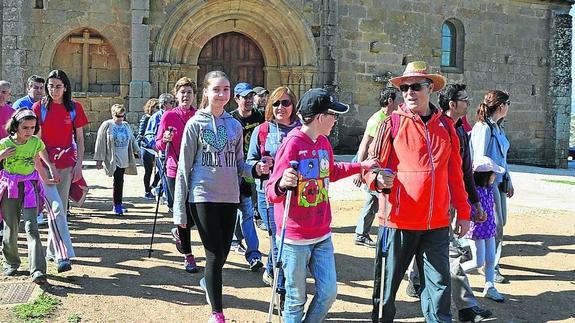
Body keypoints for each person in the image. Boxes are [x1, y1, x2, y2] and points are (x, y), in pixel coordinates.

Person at [364, 61, 470, 322]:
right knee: (386, 291)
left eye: (416, 86)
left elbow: (455, 175)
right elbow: (370, 165)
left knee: (439, 289)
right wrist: (376, 179)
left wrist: (464, 211)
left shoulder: (446, 127)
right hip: (397, 222)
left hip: (436, 224)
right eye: (405, 88)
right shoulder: (391, 124)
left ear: (430, 88)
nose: (409, 92)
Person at [266, 88, 377, 322]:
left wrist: (362, 165)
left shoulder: (323, 142)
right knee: (295, 300)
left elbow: (332, 171)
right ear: (320, 117)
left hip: (322, 234)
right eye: (333, 115)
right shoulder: (292, 144)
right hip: (294, 238)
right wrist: (281, 184)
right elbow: (270, 192)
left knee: (328, 293)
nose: (336, 120)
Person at [173, 71, 270, 323]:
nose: (222, 94)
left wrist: (255, 169)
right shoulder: (195, 125)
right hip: (202, 196)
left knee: (224, 252)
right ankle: (217, 313)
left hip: (230, 197)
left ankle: (208, 280)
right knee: (214, 254)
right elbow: (184, 168)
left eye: (226, 89)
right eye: (217, 89)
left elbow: (240, 164)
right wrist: (179, 213)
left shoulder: (235, 126)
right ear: (206, 92)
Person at [405, 83, 493, 322]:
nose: (468, 103)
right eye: (464, 99)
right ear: (452, 104)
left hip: (450, 203)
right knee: (448, 254)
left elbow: (463, 171)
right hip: (434, 204)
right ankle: (464, 307)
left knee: (442, 252)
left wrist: (472, 203)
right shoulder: (436, 127)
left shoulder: (460, 130)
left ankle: (421, 284)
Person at [33, 69, 89, 271]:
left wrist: (79, 165)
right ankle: (63, 255)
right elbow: (36, 142)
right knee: (55, 209)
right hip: (46, 165)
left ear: (65, 88)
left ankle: (51, 252)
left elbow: (80, 139)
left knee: (60, 211)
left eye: (58, 86)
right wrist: (49, 167)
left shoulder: (74, 108)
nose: (54, 90)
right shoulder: (38, 108)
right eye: (50, 86)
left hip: (67, 165)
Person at [246, 86, 300, 295]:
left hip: (296, 195)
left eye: (285, 103)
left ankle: (270, 269)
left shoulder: (302, 130)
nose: (280, 107)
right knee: (278, 239)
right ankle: (282, 288)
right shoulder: (262, 131)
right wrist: (258, 167)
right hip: (268, 194)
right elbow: (249, 163)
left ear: (293, 105)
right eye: (276, 103)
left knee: (285, 240)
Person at [0, 109, 59, 284]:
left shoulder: (35, 142)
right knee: (11, 226)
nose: (29, 131)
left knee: (32, 227)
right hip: (10, 187)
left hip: (30, 187)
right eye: (25, 127)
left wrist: (50, 166)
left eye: (32, 127)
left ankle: (38, 269)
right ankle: (11, 262)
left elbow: (41, 154)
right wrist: (1, 156)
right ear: (15, 126)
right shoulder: (5, 143)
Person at [470, 90, 514, 284]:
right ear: (501, 106)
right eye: (508, 103)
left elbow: (503, 157)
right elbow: (478, 160)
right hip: (487, 185)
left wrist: (509, 179)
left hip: (498, 183)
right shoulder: (484, 128)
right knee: (494, 225)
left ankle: (482, 258)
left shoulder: (497, 128)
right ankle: (491, 267)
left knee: (500, 223)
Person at [155, 77, 198, 273]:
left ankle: (179, 233)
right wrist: (165, 139)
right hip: (174, 168)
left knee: (195, 213)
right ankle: (188, 256)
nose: (186, 96)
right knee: (181, 211)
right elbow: (157, 144)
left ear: (194, 95)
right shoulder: (168, 117)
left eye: (189, 92)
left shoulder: (199, 116)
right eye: (182, 92)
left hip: (196, 171)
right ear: (176, 94)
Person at [352, 87, 402, 248]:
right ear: (389, 100)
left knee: (373, 199)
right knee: (379, 200)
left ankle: (361, 233)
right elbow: (364, 145)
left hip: (380, 168)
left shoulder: (390, 117)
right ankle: (367, 234)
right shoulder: (377, 119)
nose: (400, 102)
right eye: (398, 99)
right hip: (373, 168)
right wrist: (359, 171)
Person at [461, 156, 506, 303]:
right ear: (485, 175)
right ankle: (452, 271)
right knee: (478, 262)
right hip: (477, 231)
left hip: (489, 230)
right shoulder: (473, 192)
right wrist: (476, 216)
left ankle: (490, 286)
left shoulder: (490, 189)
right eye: (493, 173)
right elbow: (468, 210)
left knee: (491, 259)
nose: (495, 176)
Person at [230, 82, 264, 270]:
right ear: (237, 99)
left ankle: (253, 254)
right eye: (245, 97)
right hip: (234, 173)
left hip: (254, 172)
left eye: (251, 96)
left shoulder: (260, 117)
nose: (249, 100)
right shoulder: (230, 120)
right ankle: (232, 242)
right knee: (235, 212)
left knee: (248, 212)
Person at [94, 104, 139, 215]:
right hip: (113, 157)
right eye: (118, 116)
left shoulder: (126, 125)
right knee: (118, 181)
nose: (120, 118)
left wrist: (137, 149)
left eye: (122, 116)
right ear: (113, 114)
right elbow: (100, 142)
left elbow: (132, 138)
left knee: (120, 181)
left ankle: (119, 203)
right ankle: (117, 205)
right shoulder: (107, 125)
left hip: (124, 157)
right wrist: (99, 159)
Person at [144, 93, 176, 199]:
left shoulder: (175, 115)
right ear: (163, 104)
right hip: (162, 153)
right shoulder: (156, 117)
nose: (174, 104)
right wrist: (156, 147)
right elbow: (148, 135)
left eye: (174, 102)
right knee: (166, 177)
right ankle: (169, 200)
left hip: (175, 152)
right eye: (171, 103)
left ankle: (161, 192)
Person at [136, 98, 159, 199]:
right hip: (147, 148)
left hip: (157, 148)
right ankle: (147, 191)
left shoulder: (160, 117)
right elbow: (141, 134)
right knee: (148, 171)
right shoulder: (146, 118)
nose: (157, 109)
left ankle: (154, 185)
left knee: (163, 169)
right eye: (156, 107)